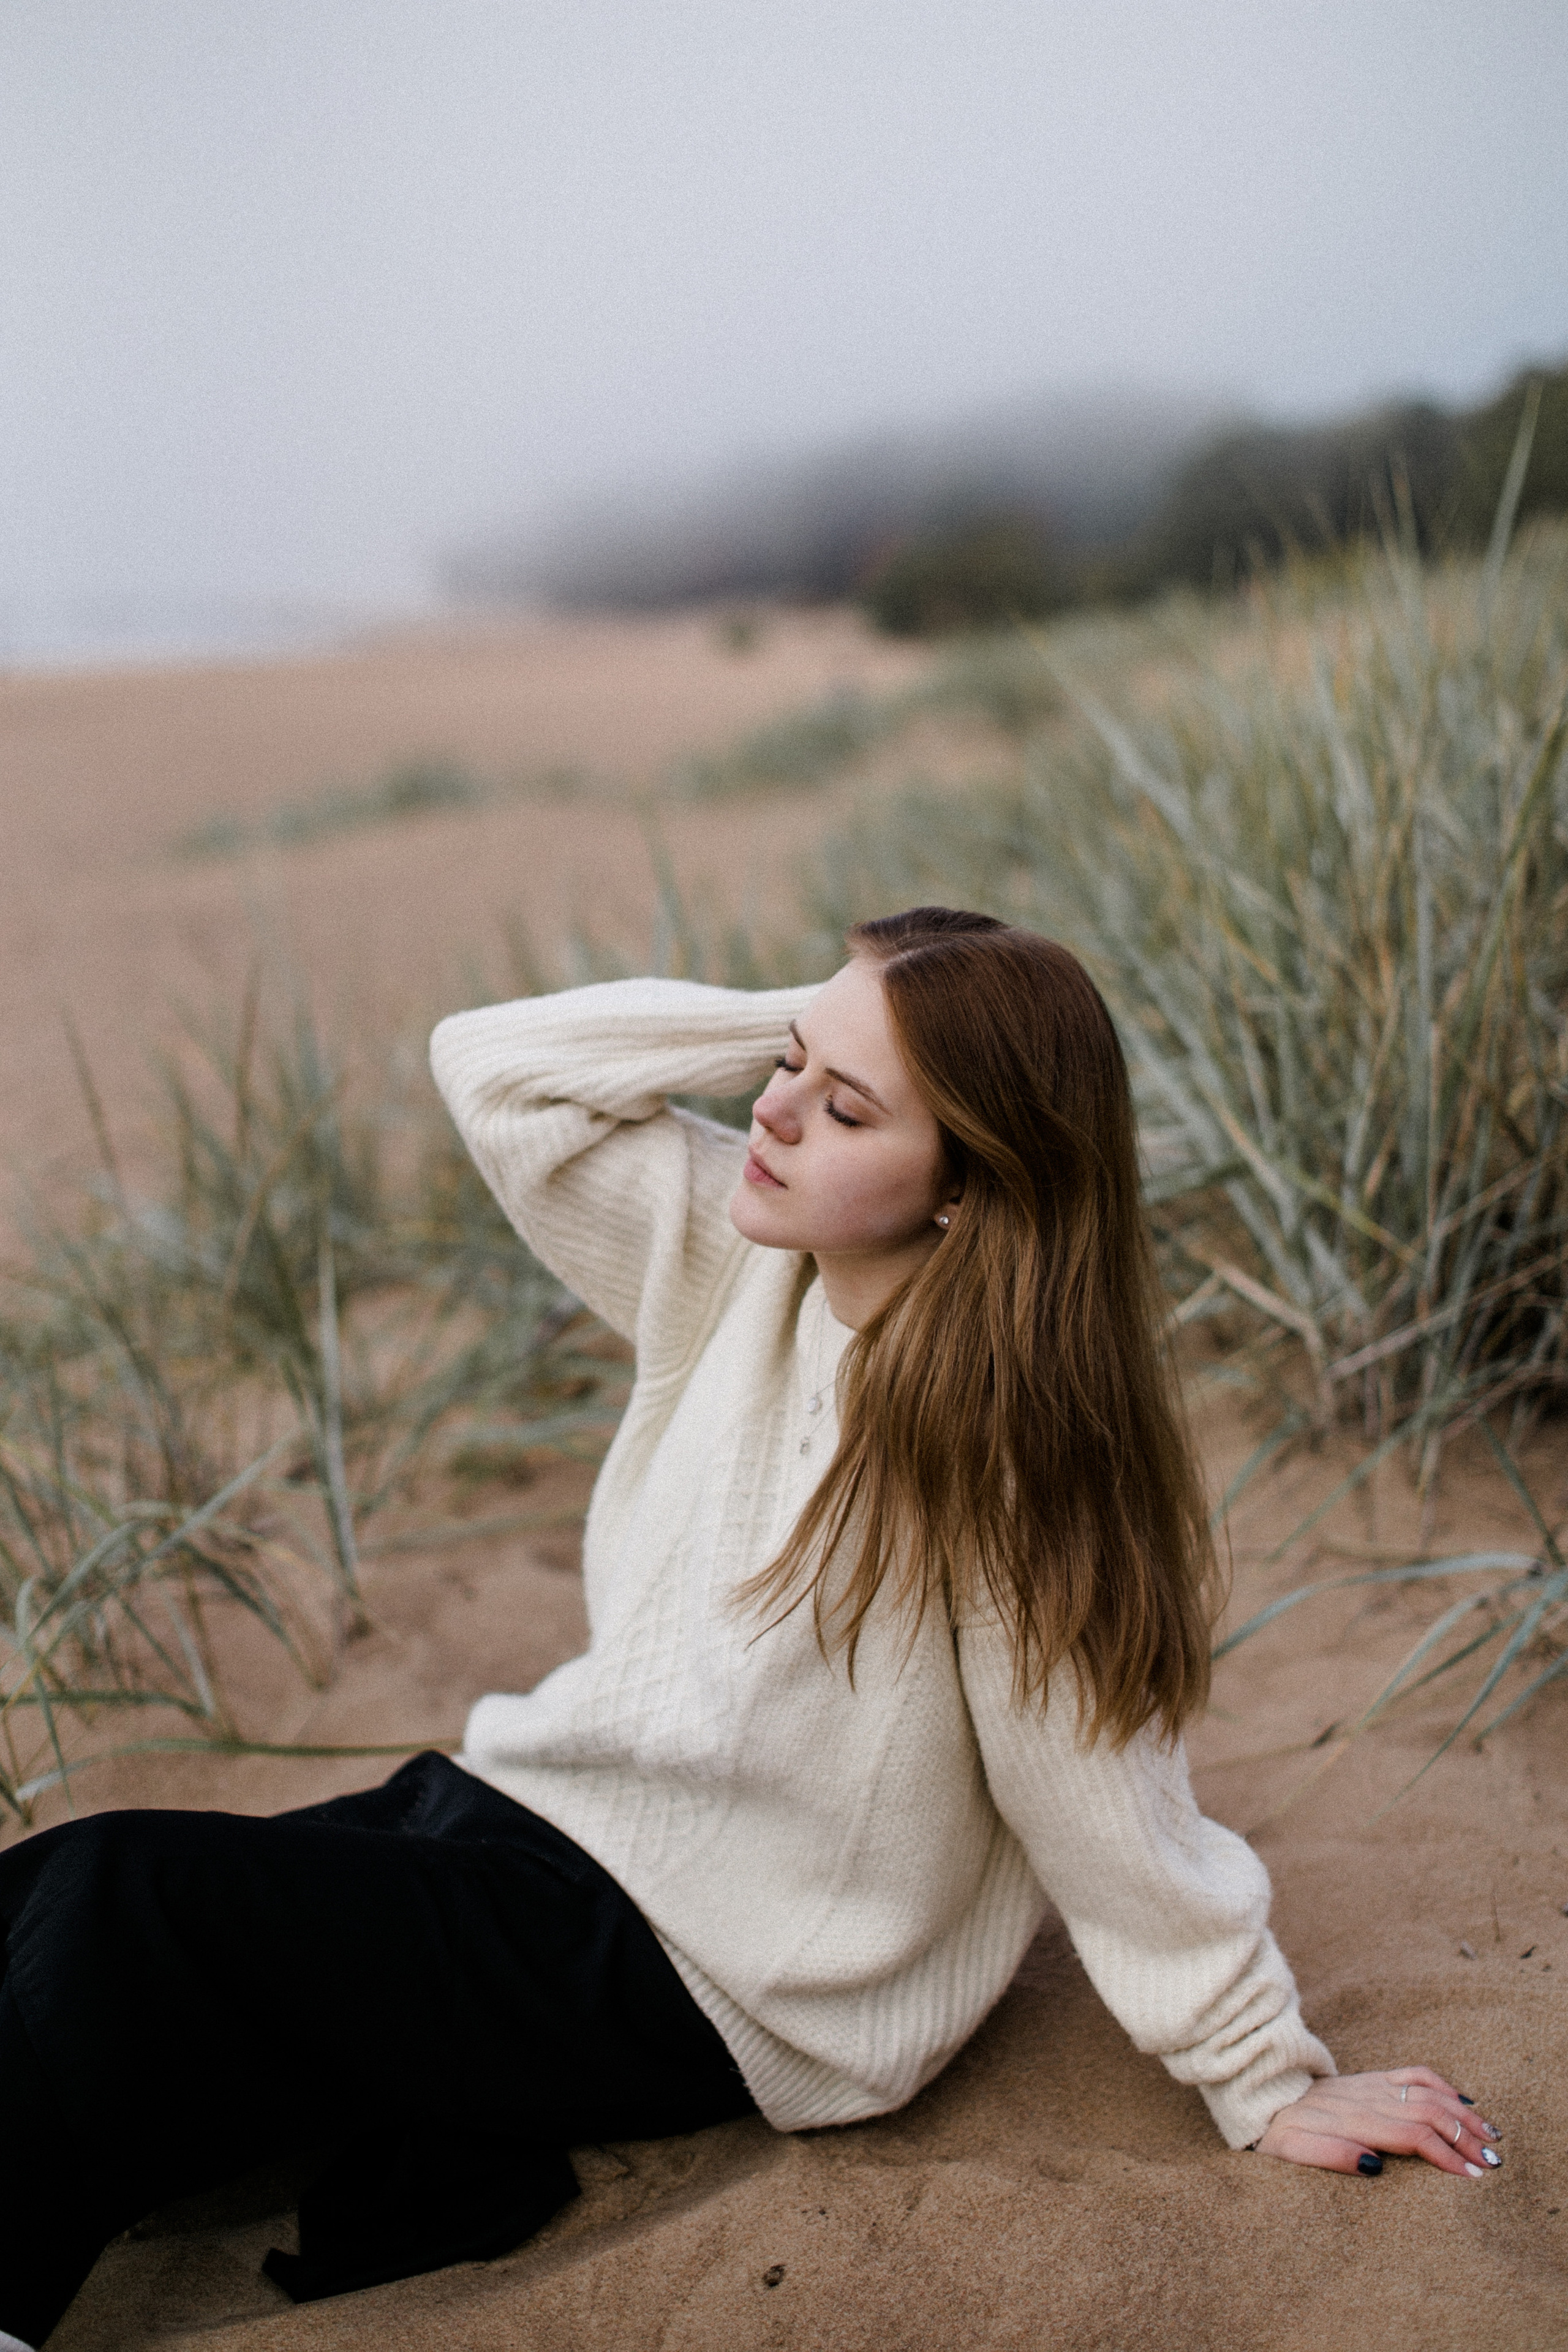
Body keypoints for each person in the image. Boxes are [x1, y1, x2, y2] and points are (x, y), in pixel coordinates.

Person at [0, 908, 1500, 2351]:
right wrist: (842, 1016)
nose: (777, 1117)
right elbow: (490, 1067)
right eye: (787, 1072)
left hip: (702, 1962)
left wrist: (1256, 2075)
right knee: (52, 1891)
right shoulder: (738, 1262)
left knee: (134, 1901)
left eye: (848, 1112)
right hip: (541, 1814)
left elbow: (1101, 1796)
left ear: (967, 1187)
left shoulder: (999, 1459)